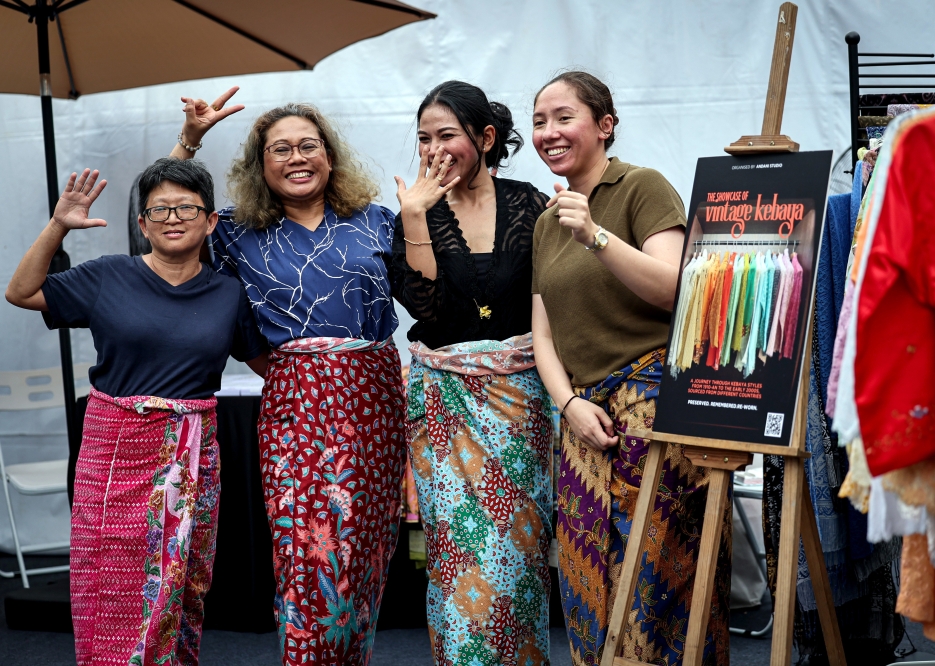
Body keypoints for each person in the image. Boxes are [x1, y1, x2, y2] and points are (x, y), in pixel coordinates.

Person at [171, 91, 406, 665]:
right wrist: (188, 143)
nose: (296, 157)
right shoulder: (233, 230)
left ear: (329, 155)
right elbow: (166, 224)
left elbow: (427, 296)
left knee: (364, 557)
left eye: (308, 145)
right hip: (297, 409)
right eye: (280, 149)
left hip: (377, 406)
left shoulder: (378, 221)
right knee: (309, 553)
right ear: (261, 163)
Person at [5, 159, 268, 665]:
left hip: (192, 459)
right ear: (143, 224)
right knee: (108, 580)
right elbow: (21, 292)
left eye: (187, 208)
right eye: (159, 210)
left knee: (181, 583)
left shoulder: (228, 293)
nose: (173, 218)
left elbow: (269, 366)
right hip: (114, 454)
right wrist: (58, 224)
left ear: (210, 221)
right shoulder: (109, 275)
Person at [530, 71, 731, 665]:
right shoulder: (546, 221)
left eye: (563, 117)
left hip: (653, 403)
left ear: (605, 125)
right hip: (582, 417)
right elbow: (544, 334)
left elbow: (674, 289)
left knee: (657, 578)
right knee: (586, 579)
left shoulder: (641, 186)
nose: (548, 132)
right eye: (539, 121)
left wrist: (594, 235)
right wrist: (569, 404)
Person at [391, 80, 556, 666]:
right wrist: (415, 216)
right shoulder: (414, 212)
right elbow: (428, 309)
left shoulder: (531, 204)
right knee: (459, 556)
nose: (434, 150)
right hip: (445, 410)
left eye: (447, 135)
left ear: (485, 138)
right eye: (424, 139)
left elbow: (555, 298)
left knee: (519, 558)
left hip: (521, 405)